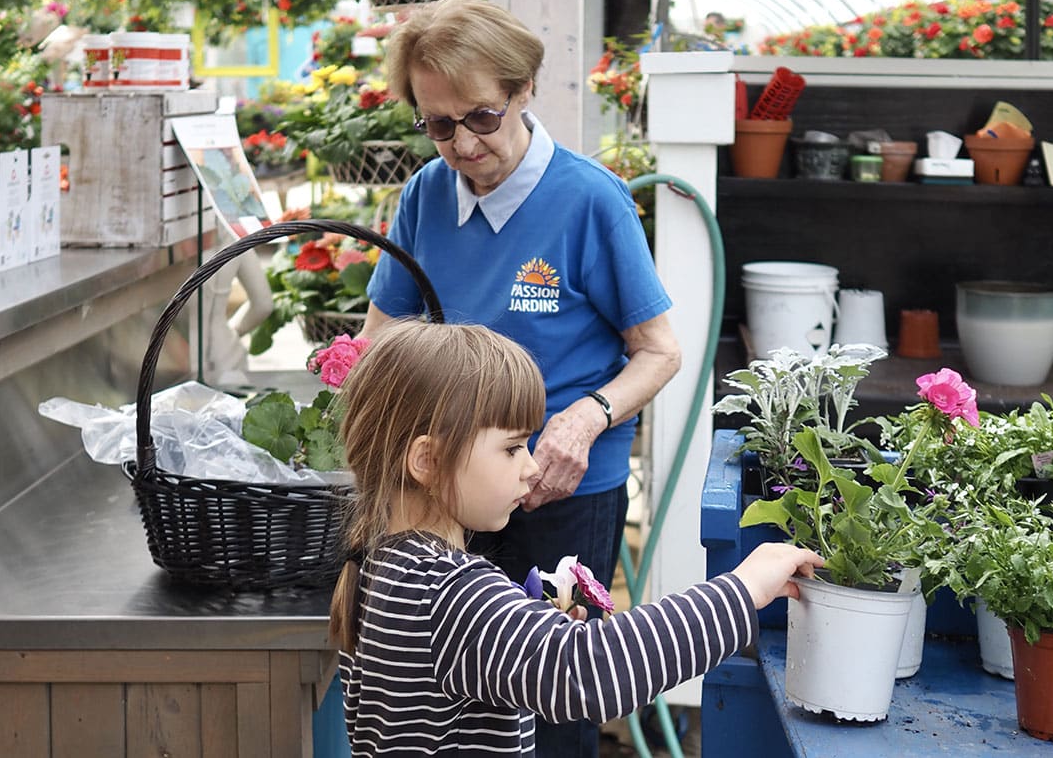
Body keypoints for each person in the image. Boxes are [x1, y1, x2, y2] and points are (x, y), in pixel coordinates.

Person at [360, 0, 682, 753]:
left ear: (524, 89)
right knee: (458, 706)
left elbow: (660, 351)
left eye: (481, 117)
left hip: (560, 487)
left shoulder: (588, 199)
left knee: (559, 700)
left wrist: (586, 418)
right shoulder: (425, 195)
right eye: (439, 125)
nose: (464, 145)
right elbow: (382, 335)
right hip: (449, 492)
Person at [330, 320, 823, 757]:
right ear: (428, 460)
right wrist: (741, 591)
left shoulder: (378, 566)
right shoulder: (449, 591)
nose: (531, 467)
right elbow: (589, 671)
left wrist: (533, 631)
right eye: (511, 448)